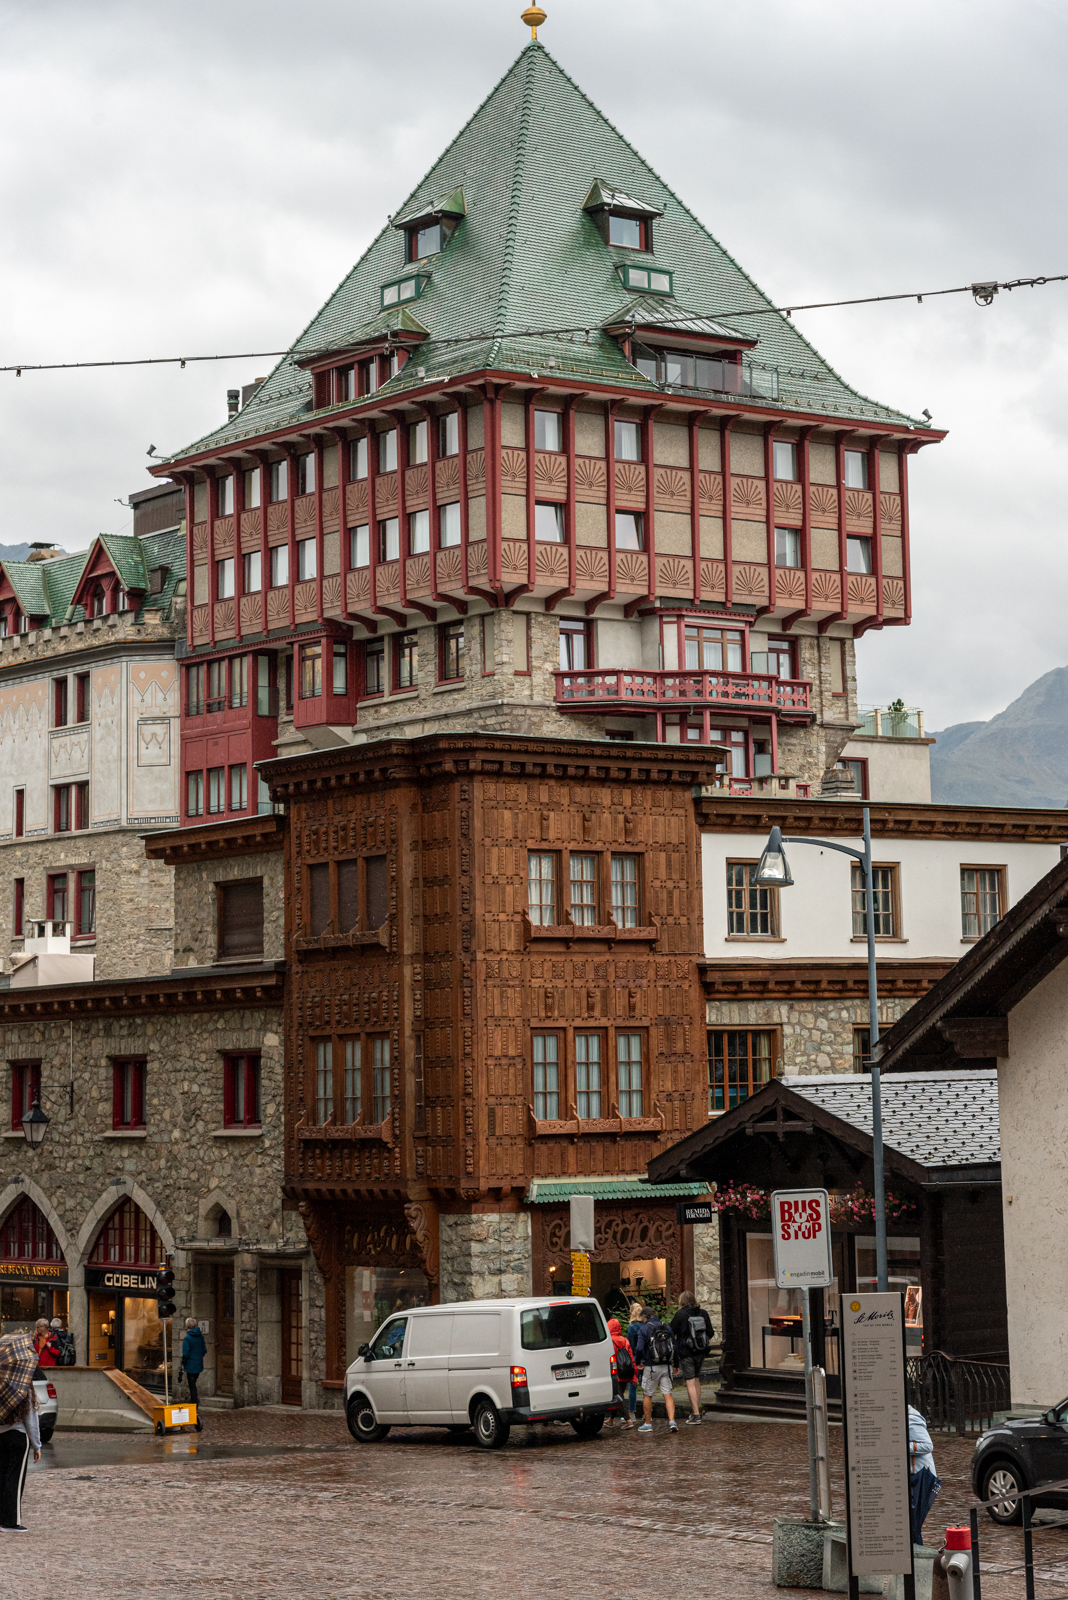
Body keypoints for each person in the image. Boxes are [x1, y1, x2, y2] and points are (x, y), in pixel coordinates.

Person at [0, 1337, 40, 1531]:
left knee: (2, 1477)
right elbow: (31, 1420)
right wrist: (37, 1445)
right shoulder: (22, 1386)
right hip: (17, 1437)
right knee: (15, 1479)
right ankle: (10, 1521)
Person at [670, 1290, 715, 1424]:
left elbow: (671, 1332)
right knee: (696, 1380)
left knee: (689, 1382)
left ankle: (696, 1415)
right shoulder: (703, 1313)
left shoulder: (680, 1314)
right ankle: (697, 1409)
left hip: (686, 1352)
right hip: (701, 1352)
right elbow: (710, 1332)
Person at [634, 1308, 677, 1433]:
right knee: (667, 1393)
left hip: (651, 1366)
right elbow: (675, 1345)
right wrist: (676, 1364)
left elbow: (639, 1347)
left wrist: (638, 1362)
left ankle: (647, 1424)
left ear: (645, 1317)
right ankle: (672, 1421)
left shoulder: (644, 1328)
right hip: (666, 1365)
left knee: (648, 1394)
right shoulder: (666, 1327)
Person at [607, 1317, 637, 1428]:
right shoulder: (625, 1341)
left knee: (619, 1397)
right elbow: (632, 1359)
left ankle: (628, 1421)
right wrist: (634, 1376)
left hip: (615, 1373)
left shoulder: (609, 1341)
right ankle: (610, 1419)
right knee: (619, 1396)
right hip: (626, 1372)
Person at [624, 1302, 645, 1426]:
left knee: (633, 1385)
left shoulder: (632, 1327)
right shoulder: (645, 1325)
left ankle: (632, 1412)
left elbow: (630, 1346)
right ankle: (648, 1413)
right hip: (646, 1359)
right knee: (647, 1386)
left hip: (636, 1358)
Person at [180, 1318, 207, 1404]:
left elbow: (185, 1353)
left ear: (187, 1326)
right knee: (193, 1384)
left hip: (190, 1365)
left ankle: (194, 1404)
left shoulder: (187, 1338)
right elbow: (204, 1350)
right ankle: (194, 1403)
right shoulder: (200, 1337)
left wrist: (183, 1363)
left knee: (192, 1386)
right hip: (198, 1364)